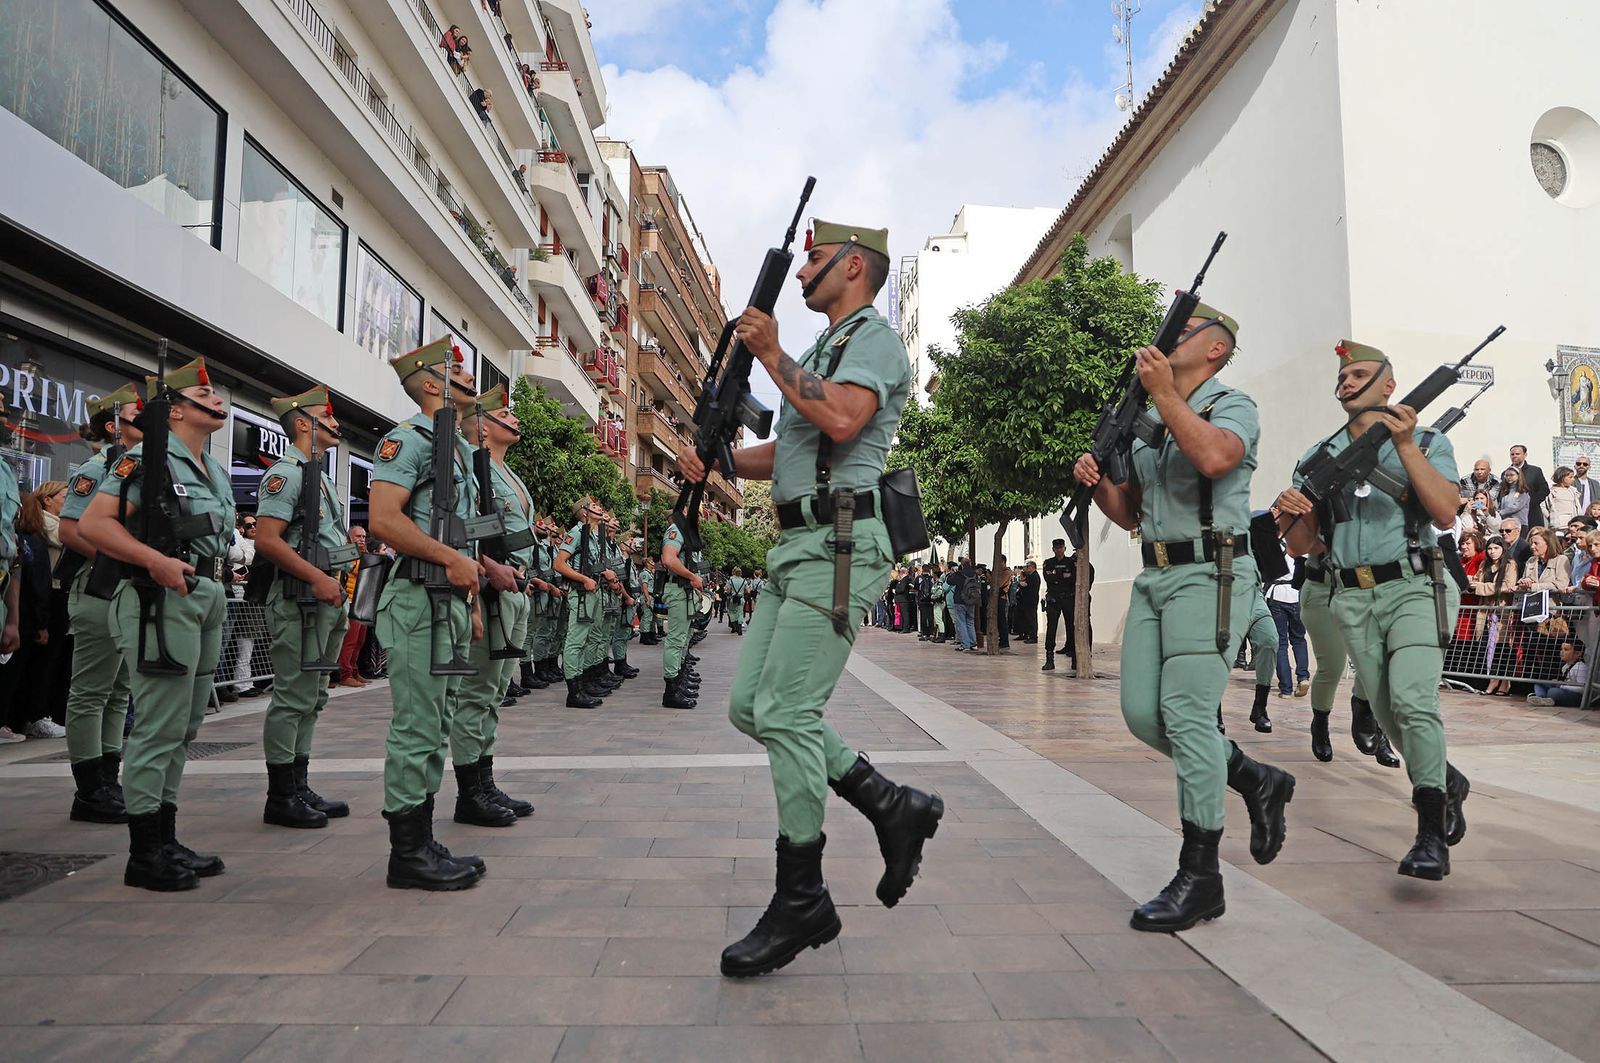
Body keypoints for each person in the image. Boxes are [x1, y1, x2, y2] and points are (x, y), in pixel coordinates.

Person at [676, 218, 942, 977]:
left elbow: (844, 417)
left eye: (814, 262)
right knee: (750, 707)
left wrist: (769, 352)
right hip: (793, 546)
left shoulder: (875, 342)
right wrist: (718, 456)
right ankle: (891, 804)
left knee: (787, 713)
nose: (799, 276)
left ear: (855, 266)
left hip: (841, 544)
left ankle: (802, 896)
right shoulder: (824, 350)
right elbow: (788, 449)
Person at [1074, 301, 1292, 931]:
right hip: (1156, 574)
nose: (1169, 338)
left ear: (1216, 349)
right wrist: (1100, 483)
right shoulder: (1153, 418)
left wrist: (1165, 396)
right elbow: (1133, 513)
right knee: (1144, 715)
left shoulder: (1232, 406)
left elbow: (1217, 460)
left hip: (1212, 573)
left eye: (1186, 330)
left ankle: (1201, 876)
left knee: (1188, 716)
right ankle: (1252, 776)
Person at [1278, 338, 1469, 882]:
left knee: (1412, 702)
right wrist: (1296, 513)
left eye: (1359, 373)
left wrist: (1406, 445)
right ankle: (1445, 779)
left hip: (1414, 585)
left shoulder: (1428, 439)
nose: (1347, 381)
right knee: (1385, 713)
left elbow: (1446, 512)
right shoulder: (1317, 458)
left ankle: (1431, 833)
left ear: (1389, 383)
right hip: (1351, 595)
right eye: (1341, 376)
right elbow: (1303, 547)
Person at [78, 357, 232, 892]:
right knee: (160, 725)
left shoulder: (208, 467)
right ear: (176, 411)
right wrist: (152, 560)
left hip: (205, 592)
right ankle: (145, 853)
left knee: (185, 725)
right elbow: (93, 524)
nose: (218, 403)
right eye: (205, 397)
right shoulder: (145, 458)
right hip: (159, 594)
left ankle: (165, 836)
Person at [367, 338, 490, 891]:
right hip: (419, 599)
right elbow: (384, 521)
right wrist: (450, 561)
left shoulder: (457, 449)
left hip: (447, 601)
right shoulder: (406, 440)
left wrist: (471, 587)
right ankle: (407, 853)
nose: (468, 378)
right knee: (418, 724)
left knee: (437, 723)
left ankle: (422, 835)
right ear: (433, 384)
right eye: (456, 372)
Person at [252, 387, 356, 830]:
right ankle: (281, 795)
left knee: (312, 698)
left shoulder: (321, 476)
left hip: (326, 596)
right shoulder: (287, 473)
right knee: (293, 696)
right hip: (300, 596)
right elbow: (267, 539)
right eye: (324, 418)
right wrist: (316, 577)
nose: (335, 424)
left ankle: (299, 782)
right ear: (301, 424)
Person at [448, 386, 536, 826]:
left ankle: (485, 780)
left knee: (496, 693)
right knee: (477, 693)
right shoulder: (473, 469)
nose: (514, 419)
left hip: (515, 589)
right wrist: (486, 566)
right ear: (483, 426)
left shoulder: (507, 473)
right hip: (487, 588)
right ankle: (469, 793)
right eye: (505, 414)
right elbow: (458, 529)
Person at [55, 385, 142, 807]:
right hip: (98, 587)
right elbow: (70, 530)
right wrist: (125, 559)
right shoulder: (96, 468)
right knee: (91, 691)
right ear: (114, 425)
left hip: (124, 591)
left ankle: (109, 778)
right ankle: (89, 788)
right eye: (134, 413)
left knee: (119, 690)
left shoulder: (134, 467)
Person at [554, 497, 611, 707]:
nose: (599, 508)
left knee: (586, 640)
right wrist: (584, 579)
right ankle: (573, 692)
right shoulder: (576, 533)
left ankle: (582, 685)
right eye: (594, 507)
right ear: (584, 513)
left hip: (592, 592)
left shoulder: (592, 536)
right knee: (575, 641)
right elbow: (559, 564)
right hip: (581, 593)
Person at [657, 509, 701, 709]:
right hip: (678, 589)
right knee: (675, 640)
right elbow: (668, 558)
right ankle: (671, 692)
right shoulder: (676, 529)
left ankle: (679, 683)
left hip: (685, 590)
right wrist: (692, 576)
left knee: (682, 639)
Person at [1472, 535, 1520, 696]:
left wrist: (1480, 587)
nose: (1492, 552)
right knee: (1488, 646)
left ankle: (1503, 682)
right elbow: (1476, 582)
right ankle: (1493, 680)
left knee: (1502, 647)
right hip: (1485, 611)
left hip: (1502, 611)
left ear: (1503, 549)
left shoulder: (1510, 564)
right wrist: (1474, 584)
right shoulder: (1484, 564)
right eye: (1490, 548)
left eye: (1496, 548)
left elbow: (1508, 585)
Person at [1263, 539, 1310, 699]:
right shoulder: (1302, 543)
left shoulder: (1272, 546)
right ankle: (1303, 677)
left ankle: (1286, 689)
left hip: (1277, 595)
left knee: (1281, 644)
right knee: (1299, 640)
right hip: (1297, 595)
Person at [334, 525, 370, 688]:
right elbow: (352, 570)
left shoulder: (364, 554)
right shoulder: (347, 553)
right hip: (349, 601)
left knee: (359, 640)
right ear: (349, 538)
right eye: (358, 536)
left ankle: (354, 671)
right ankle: (345, 673)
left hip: (361, 601)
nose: (362, 539)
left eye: (363, 536)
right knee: (350, 640)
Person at [1528, 638, 1589, 706]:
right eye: (1561, 649)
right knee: (1540, 683)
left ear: (1577, 654)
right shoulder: (1565, 667)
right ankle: (1542, 698)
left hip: (1576, 696)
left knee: (1553, 692)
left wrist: (1561, 686)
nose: (1562, 652)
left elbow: (1583, 689)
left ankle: (1546, 697)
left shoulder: (1580, 667)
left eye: (1566, 650)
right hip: (1564, 689)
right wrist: (1557, 683)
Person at [1510, 444, 1549, 518]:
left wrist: (1530, 503)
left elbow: (1544, 490)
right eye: (1512, 454)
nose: (1514, 456)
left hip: (1531, 514)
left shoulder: (1535, 471)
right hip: (1512, 515)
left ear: (1525, 455)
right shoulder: (1505, 473)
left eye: (1517, 454)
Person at [1496, 467, 1531, 532]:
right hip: (1506, 523)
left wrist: (1500, 512)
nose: (1509, 477)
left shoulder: (1523, 492)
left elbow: (1515, 507)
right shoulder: (1505, 491)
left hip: (1519, 524)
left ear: (1518, 476)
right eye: (1506, 475)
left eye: (1512, 475)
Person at [1015, 560, 1040, 644]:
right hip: (1027, 600)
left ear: (1033, 567)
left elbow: (1024, 584)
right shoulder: (1030, 576)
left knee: (1032, 618)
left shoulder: (1034, 576)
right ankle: (1027, 634)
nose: (1026, 568)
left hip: (1031, 600)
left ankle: (1033, 636)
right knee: (1027, 618)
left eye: (1028, 566)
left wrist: (1020, 583)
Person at [727, 566, 747, 635]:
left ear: (734, 572)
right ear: (741, 573)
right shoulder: (744, 581)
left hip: (733, 599)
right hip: (741, 598)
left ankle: (735, 625)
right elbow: (748, 590)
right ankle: (740, 627)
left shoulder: (731, 580)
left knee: (731, 611)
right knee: (740, 613)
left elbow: (728, 590)